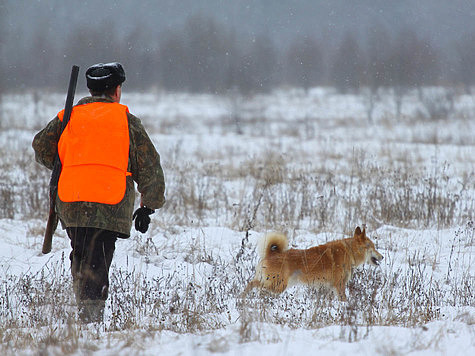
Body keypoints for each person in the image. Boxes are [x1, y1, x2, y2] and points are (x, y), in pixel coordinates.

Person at [32, 62, 166, 323]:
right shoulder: (126, 122)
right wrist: (149, 205)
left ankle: (85, 313)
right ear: (117, 90)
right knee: (97, 260)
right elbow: (149, 165)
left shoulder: (67, 116)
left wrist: (67, 162)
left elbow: (41, 147)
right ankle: (90, 320)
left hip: (71, 202)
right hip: (109, 204)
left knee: (81, 253)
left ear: (91, 90)